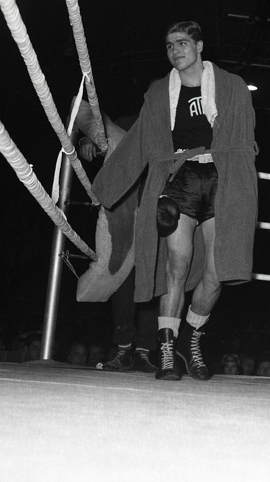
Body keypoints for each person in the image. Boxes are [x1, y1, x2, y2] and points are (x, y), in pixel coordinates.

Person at [92, 20, 258, 382]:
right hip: (178, 180)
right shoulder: (158, 94)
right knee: (176, 267)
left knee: (217, 272)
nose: (175, 50)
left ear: (199, 46)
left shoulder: (231, 87)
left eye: (182, 43)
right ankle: (166, 351)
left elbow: (245, 145)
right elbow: (139, 140)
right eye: (169, 45)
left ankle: (191, 338)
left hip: (221, 181)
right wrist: (106, 187)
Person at [76, 110, 159, 375]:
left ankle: (144, 351)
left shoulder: (175, 123)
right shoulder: (129, 122)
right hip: (126, 209)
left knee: (153, 278)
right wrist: (86, 140)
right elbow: (101, 128)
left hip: (158, 209)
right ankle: (124, 349)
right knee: (121, 276)